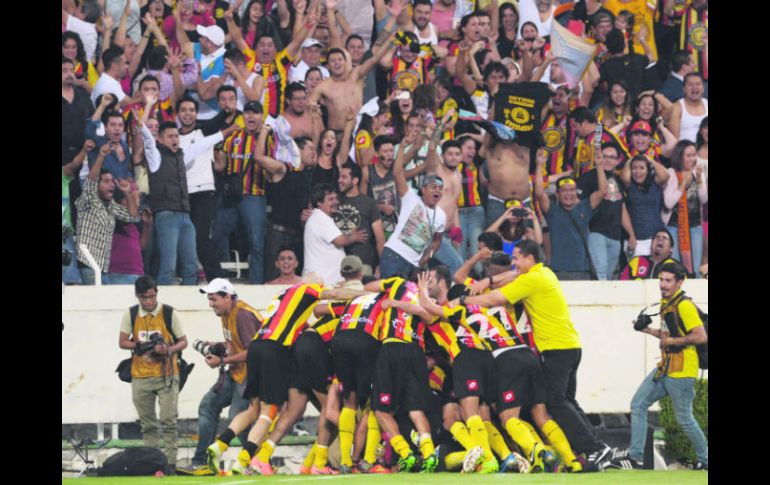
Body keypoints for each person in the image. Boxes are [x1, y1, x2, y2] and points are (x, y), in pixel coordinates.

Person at [462, 239, 616, 472]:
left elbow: (495, 299)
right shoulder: (544, 273)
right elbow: (512, 276)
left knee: (556, 401)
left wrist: (465, 301)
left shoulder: (532, 279)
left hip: (556, 349)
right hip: (570, 346)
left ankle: (594, 448)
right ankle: (596, 448)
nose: (513, 263)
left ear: (529, 258)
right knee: (567, 400)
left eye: (516, 258)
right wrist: (489, 280)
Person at [609, 263, 708, 470]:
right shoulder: (667, 302)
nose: (663, 284)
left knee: (685, 419)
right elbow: (666, 336)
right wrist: (647, 330)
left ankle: (706, 459)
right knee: (638, 404)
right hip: (666, 367)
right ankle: (636, 456)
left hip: (681, 371)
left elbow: (700, 336)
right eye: (661, 280)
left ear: (679, 282)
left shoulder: (684, 305)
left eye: (668, 281)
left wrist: (672, 342)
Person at [180, 278, 261, 476]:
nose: (211, 304)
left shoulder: (242, 315)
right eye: (209, 299)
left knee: (237, 419)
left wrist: (222, 362)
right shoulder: (228, 312)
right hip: (236, 373)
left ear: (227, 297)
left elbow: (254, 352)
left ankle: (256, 462)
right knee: (208, 405)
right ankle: (201, 462)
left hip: (250, 376)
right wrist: (216, 345)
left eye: (214, 299)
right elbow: (236, 345)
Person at [138, 109, 227, 285]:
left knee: (190, 267)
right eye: (170, 136)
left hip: (185, 216)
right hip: (166, 215)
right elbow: (147, 140)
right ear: (160, 140)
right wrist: (142, 121)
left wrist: (226, 132)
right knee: (168, 266)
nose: (175, 139)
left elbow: (203, 144)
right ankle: (163, 308)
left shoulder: (181, 156)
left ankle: (189, 305)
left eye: (176, 136)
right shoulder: (155, 157)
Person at [118, 276, 188, 471]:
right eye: (143, 298)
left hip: (166, 373)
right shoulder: (131, 314)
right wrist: (138, 346)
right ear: (137, 296)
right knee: (147, 424)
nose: (148, 301)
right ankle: (152, 465)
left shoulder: (168, 312)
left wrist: (168, 349)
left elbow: (183, 341)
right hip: (140, 375)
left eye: (151, 296)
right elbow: (122, 342)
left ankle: (171, 464)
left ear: (156, 292)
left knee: (169, 421)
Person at [212, 101, 269, 284]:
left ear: (262, 116)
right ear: (243, 115)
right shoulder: (233, 137)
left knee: (256, 243)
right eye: (248, 112)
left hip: (254, 194)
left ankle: (256, 283)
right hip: (231, 196)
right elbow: (220, 167)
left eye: (256, 113)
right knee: (218, 235)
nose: (251, 116)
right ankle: (221, 279)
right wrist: (216, 149)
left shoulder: (269, 138)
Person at [534, 148, 608, 281]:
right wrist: (539, 166)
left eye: (572, 190)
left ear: (576, 192)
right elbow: (539, 193)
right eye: (564, 191)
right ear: (557, 194)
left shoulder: (584, 207)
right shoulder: (552, 211)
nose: (568, 194)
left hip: (582, 269)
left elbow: (602, 191)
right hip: (559, 270)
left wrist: (599, 166)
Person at [379, 134, 445, 279]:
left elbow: (437, 240)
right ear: (423, 189)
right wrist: (402, 147)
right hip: (394, 255)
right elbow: (397, 174)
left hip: (414, 265)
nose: (437, 190)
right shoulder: (411, 198)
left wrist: (429, 254)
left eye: (440, 188)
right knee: (389, 298)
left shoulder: (441, 216)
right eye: (433, 187)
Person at [75, 143, 140, 284]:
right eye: (106, 181)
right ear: (97, 185)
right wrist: (101, 155)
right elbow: (90, 182)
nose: (111, 184)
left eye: (112, 181)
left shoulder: (112, 206)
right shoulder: (88, 200)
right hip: (88, 265)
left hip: (104, 268)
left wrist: (127, 193)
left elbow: (133, 217)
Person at [577, 142, 636, 280]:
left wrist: (631, 233)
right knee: (600, 275)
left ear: (618, 161)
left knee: (609, 277)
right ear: (598, 157)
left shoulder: (618, 180)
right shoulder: (588, 177)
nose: (608, 160)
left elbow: (621, 208)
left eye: (612, 157)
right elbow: (578, 207)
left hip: (615, 236)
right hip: (596, 233)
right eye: (604, 156)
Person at [302, 183, 368, 286]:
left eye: (336, 198)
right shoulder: (320, 218)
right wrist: (355, 236)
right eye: (330, 199)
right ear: (319, 202)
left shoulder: (321, 217)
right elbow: (340, 241)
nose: (335, 202)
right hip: (321, 280)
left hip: (324, 280)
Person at [663, 140, 707, 277]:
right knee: (675, 268)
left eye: (694, 155)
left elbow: (704, 199)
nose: (692, 159)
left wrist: (699, 180)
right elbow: (668, 203)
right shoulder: (670, 173)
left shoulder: (698, 173)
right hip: (674, 226)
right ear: (680, 156)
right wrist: (682, 184)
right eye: (688, 155)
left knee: (695, 268)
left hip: (694, 226)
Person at [334, 162, 386, 275]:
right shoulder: (334, 201)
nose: (339, 180)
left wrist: (381, 265)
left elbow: (380, 238)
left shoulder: (369, 203)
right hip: (337, 263)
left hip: (363, 264)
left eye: (344, 177)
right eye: (339, 176)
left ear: (355, 180)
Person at [620, 155, 670, 257]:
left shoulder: (655, 182)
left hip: (655, 237)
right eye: (634, 168)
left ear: (648, 170)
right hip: (634, 238)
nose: (637, 171)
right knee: (635, 272)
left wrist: (648, 159)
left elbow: (665, 175)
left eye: (642, 168)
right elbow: (624, 177)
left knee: (656, 271)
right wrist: (630, 159)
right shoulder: (629, 185)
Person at [669, 73, 708, 143]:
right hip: (685, 151)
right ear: (684, 89)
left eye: (698, 84)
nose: (694, 87)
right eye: (690, 84)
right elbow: (673, 140)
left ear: (703, 88)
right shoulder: (677, 107)